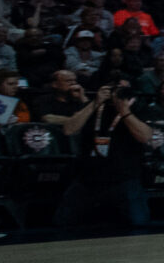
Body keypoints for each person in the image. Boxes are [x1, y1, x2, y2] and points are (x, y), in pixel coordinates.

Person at [54, 83, 154, 226]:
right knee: (62, 222)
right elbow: (68, 130)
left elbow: (145, 137)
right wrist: (95, 102)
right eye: (115, 89)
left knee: (139, 222)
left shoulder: (137, 108)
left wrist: (125, 111)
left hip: (124, 176)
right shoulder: (93, 107)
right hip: (89, 176)